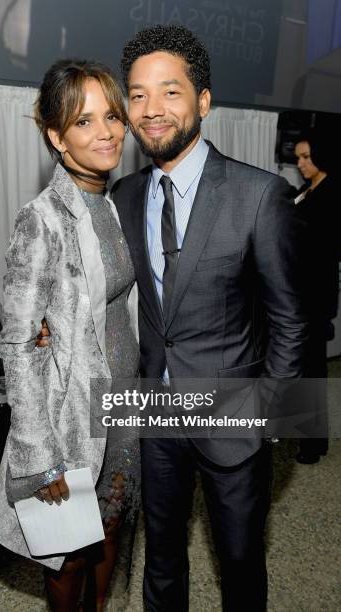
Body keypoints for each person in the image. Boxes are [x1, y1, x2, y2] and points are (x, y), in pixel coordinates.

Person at [111, 25, 307, 612]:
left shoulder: (259, 195)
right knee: (161, 558)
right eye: (138, 95)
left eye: (169, 92)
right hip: (155, 418)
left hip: (233, 416)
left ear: (203, 101)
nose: (151, 110)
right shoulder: (123, 195)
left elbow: (291, 321)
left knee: (241, 563)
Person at [0, 59, 140, 612]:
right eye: (84, 122)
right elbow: (20, 342)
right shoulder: (42, 217)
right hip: (70, 417)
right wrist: (38, 455)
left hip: (124, 406)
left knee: (108, 533)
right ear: (56, 135)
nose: (106, 132)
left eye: (112, 117)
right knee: (68, 553)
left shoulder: (116, 204)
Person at [293, 132, 340, 463]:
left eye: (306, 157)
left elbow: (325, 247)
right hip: (297, 298)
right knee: (301, 372)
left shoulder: (332, 194)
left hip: (314, 299)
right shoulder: (304, 191)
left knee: (310, 373)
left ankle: (313, 445)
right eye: (297, 158)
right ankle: (308, 437)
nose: (300, 163)